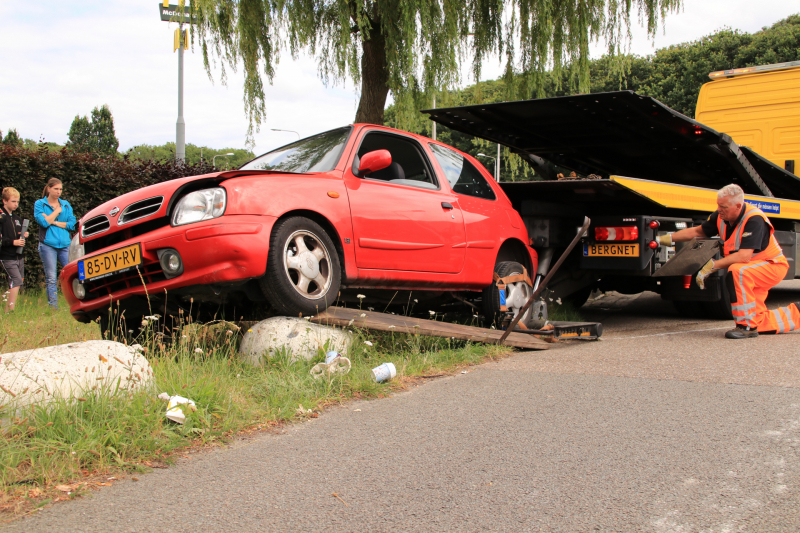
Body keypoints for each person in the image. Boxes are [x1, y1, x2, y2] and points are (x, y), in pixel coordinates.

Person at [658, 183, 800, 339]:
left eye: (723, 206)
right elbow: (699, 231)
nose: (719, 209)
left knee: (737, 271)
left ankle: (746, 327)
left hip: (771, 266)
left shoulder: (754, 219)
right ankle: (796, 314)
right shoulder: (721, 216)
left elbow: (744, 256)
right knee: (757, 319)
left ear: (738, 206)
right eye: (718, 205)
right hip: (753, 268)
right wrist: (667, 238)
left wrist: (712, 266)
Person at [34, 178, 76, 309]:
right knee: (51, 277)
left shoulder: (66, 204)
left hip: (65, 244)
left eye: (60, 189)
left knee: (73, 274)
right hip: (47, 245)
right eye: (56, 189)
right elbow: (43, 222)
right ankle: (53, 307)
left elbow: (72, 224)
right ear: (48, 189)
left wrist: (54, 222)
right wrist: (57, 212)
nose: (59, 192)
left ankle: (76, 303)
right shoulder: (40, 204)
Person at [1, 187, 30, 312]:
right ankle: (10, 310)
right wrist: (13, 242)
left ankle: (7, 307)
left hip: (19, 255)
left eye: (17, 202)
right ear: (4, 201)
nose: (16, 204)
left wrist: (24, 236)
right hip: (6, 256)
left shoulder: (18, 219)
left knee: (18, 281)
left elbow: (19, 235)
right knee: (16, 280)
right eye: (13, 201)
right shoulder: (1, 218)